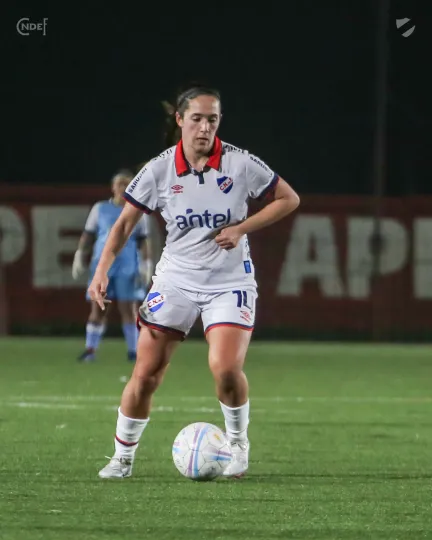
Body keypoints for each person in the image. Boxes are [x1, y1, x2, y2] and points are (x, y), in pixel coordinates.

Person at [88, 84, 300, 479]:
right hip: (175, 281)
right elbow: (124, 225)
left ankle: (238, 445)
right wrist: (101, 270)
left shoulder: (240, 163)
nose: (205, 127)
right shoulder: (159, 170)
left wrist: (242, 228)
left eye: (212, 120)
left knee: (225, 369)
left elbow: (289, 199)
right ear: (180, 119)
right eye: (198, 118)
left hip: (229, 281)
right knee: (146, 374)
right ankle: (122, 459)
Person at [72, 169, 155, 362]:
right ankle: (90, 350)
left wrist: (147, 264)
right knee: (98, 308)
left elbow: (144, 240)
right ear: (113, 187)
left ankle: (134, 352)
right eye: (120, 184)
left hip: (128, 265)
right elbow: (88, 234)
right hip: (103, 266)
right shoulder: (100, 209)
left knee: (129, 308)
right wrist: (80, 254)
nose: (124, 187)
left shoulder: (139, 211)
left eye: (128, 183)